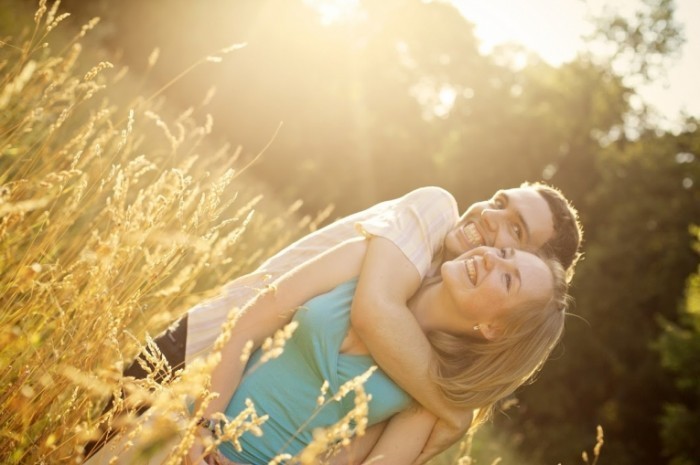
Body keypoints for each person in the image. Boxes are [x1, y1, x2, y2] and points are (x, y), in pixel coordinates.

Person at [84, 183, 582, 460]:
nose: (493, 224)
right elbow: (371, 311)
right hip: (198, 353)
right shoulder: (433, 215)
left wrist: (452, 402)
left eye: (515, 232)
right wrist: (453, 405)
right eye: (500, 202)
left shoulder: (455, 299)